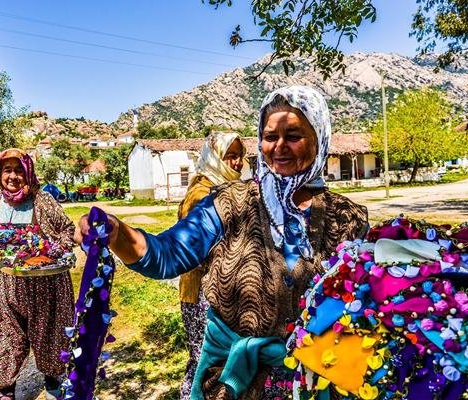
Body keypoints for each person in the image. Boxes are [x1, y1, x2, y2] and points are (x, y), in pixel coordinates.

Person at [75, 86, 369, 399]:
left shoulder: (347, 218)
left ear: (319, 138)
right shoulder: (229, 204)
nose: (279, 146)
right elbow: (167, 255)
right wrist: (118, 232)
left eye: (294, 135)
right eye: (270, 137)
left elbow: (368, 304)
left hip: (321, 382)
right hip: (233, 384)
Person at [0, 148, 75, 400]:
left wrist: (54, 251)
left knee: (51, 333)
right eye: (7, 170)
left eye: (19, 169)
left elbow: (67, 230)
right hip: (0, 285)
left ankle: (53, 380)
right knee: (1, 336)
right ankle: (6, 389)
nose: (13, 176)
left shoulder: (43, 199)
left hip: (46, 285)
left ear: (28, 172)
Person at [178, 131, 245, 400]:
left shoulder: (224, 187)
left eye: (240, 156)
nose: (238, 162)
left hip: (220, 290)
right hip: (203, 292)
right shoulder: (201, 194)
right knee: (205, 360)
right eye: (230, 156)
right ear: (215, 158)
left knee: (212, 360)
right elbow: (199, 248)